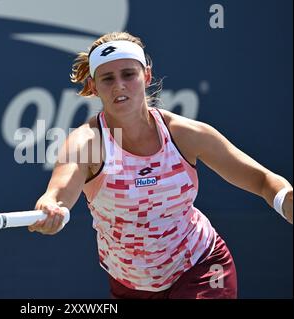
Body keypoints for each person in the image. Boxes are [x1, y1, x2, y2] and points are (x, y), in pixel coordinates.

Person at [28, 31, 293, 299]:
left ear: (147, 76)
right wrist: (51, 207)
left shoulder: (186, 134)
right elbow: (59, 193)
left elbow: (261, 180)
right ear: (94, 87)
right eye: (108, 78)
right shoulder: (86, 142)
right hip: (129, 286)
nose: (119, 85)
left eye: (128, 74)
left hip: (202, 268)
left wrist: (285, 200)